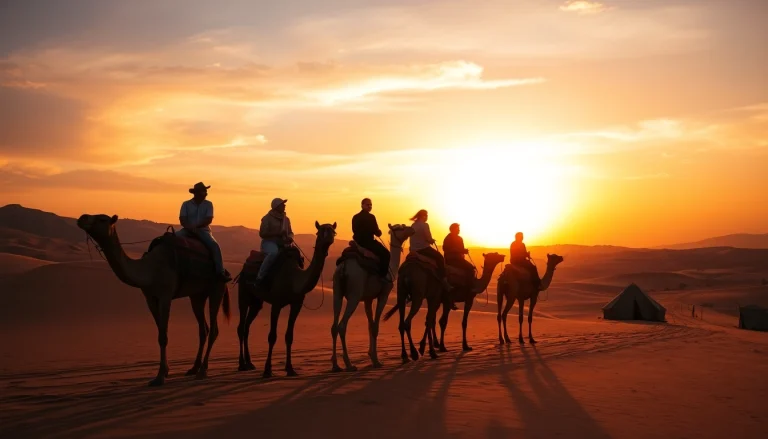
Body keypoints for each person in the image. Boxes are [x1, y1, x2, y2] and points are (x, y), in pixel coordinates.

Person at [177, 182, 230, 281]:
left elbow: (208, 219)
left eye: (205, 191)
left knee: (214, 246)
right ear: (196, 193)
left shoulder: (208, 204)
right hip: (187, 230)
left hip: (203, 231)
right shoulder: (186, 204)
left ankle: (220, 272)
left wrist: (196, 227)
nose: (206, 193)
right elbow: (182, 219)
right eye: (204, 191)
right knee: (171, 238)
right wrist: (190, 228)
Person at [253, 198, 294, 287]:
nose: (284, 206)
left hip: (283, 243)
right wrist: (278, 233)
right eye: (282, 204)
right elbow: (262, 233)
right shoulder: (267, 218)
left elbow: (290, 232)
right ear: (277, 206)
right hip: (269, 242)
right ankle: (260, 277)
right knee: (273, 253)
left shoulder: (286, 219)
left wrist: (290, 237)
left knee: (294, 254)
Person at [409, 209, 452, 290]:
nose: (427, 217)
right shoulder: (425, 225)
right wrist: (431, 240)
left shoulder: (413, 225)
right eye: (426, 215)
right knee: (440, 258)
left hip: (413, 249)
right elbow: (428, 238)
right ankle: (444, 279)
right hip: (423, 248)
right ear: (423, 216)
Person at [352, 198, 391, 281]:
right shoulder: (371, 217)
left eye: (370, 205)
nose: (369, 206)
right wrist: (379, 232)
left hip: (357, 242)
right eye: (367, 204)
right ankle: (382, 277)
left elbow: (354, 230)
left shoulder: (355, 217)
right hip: (368, 243)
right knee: (386, 255)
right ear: (362, 205)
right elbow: (377, 232)